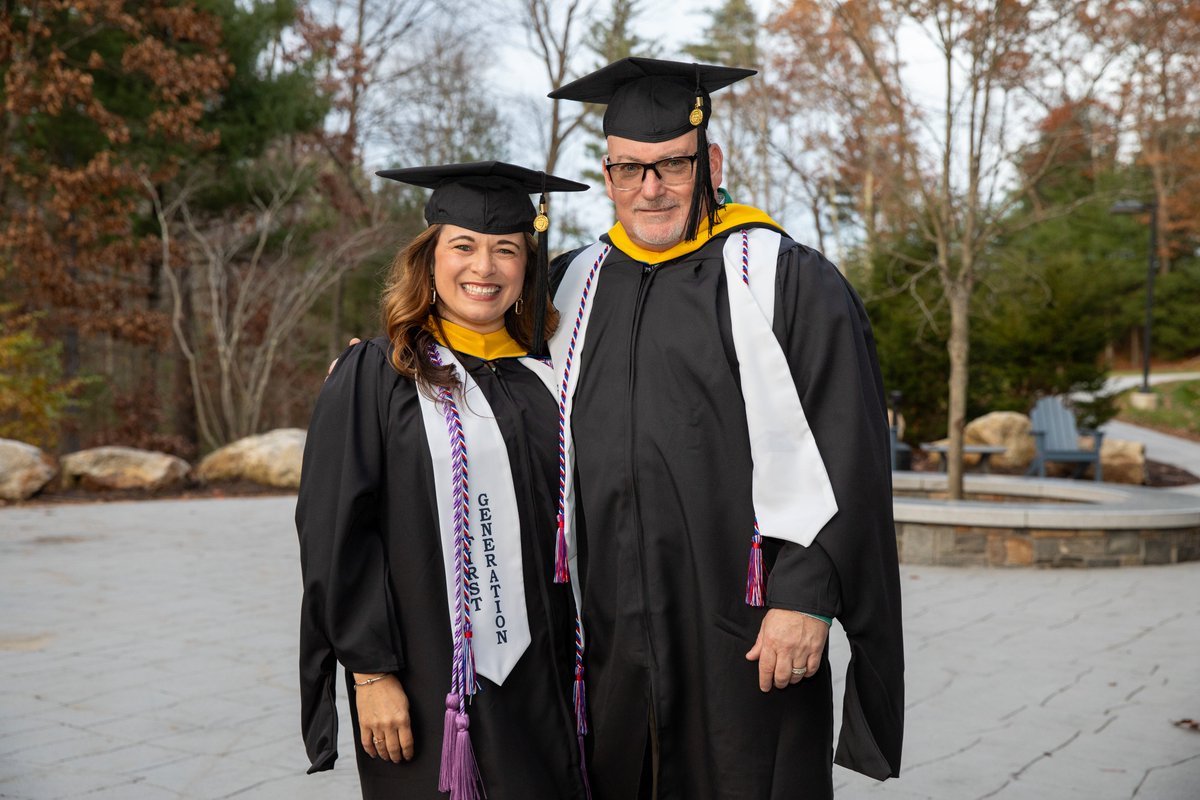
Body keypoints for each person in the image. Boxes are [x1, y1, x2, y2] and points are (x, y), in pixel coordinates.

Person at [542, 57, 905, 799]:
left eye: (672, 165)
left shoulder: (787, 277)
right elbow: (482, 369)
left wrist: (805, 596)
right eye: (630, 169)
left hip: (745, 627)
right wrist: (382, 367)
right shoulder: (569, 287)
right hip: (604, 625)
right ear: (607, 175)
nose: (651, 187)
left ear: (709, 161)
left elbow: (849, 446)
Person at [296, 161, 591, 800]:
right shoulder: (378, 375)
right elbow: (336, 534)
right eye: (464, 246)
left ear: (527, 268)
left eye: (505, 250)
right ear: (428, 260)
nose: (483, 268)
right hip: (431, 682)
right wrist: (371, 674)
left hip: (548, 679)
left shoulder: (550, 381)